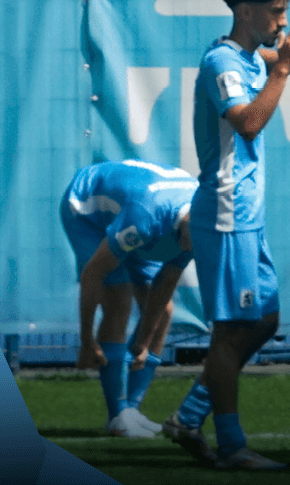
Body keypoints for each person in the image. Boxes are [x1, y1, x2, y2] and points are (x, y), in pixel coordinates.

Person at [163, 0, 290, 470]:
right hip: (227, 211)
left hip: (246, 215)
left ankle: (189, 417)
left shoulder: (252, 55)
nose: (282, 21)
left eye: (285, 12)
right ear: (245, 12)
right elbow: (249, 123)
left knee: (264, 320)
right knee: (232, 332)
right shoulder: (222, 63)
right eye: (276, 13)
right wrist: (286, 69)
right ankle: (231, 446)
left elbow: (283, 60)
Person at [61, 159, 197, 438]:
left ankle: (132, 409)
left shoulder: (200, 227)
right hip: (88, 211)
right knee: (118, 302)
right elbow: (91, 277)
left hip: (140, 215)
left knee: (164, 312)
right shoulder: (145, 216)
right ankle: (118, 417)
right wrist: (87, 341)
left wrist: (142, 342)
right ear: (187, 226)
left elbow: (166, 282)